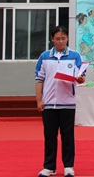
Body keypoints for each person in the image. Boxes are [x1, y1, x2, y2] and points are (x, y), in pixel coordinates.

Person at [35, 26, 85, 177]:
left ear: (67, 38)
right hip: (49, 103)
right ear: (52, 39)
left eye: (63, 38)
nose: (61, 41)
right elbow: (39, 79)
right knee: (50, 136)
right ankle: (49, 166)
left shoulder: (75, 56)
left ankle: (68, 166)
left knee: (67, 136)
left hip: (67, 103)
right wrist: (39, 100)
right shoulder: (44, 56)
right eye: (57, 39)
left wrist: (80, 78)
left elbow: (81, 76)